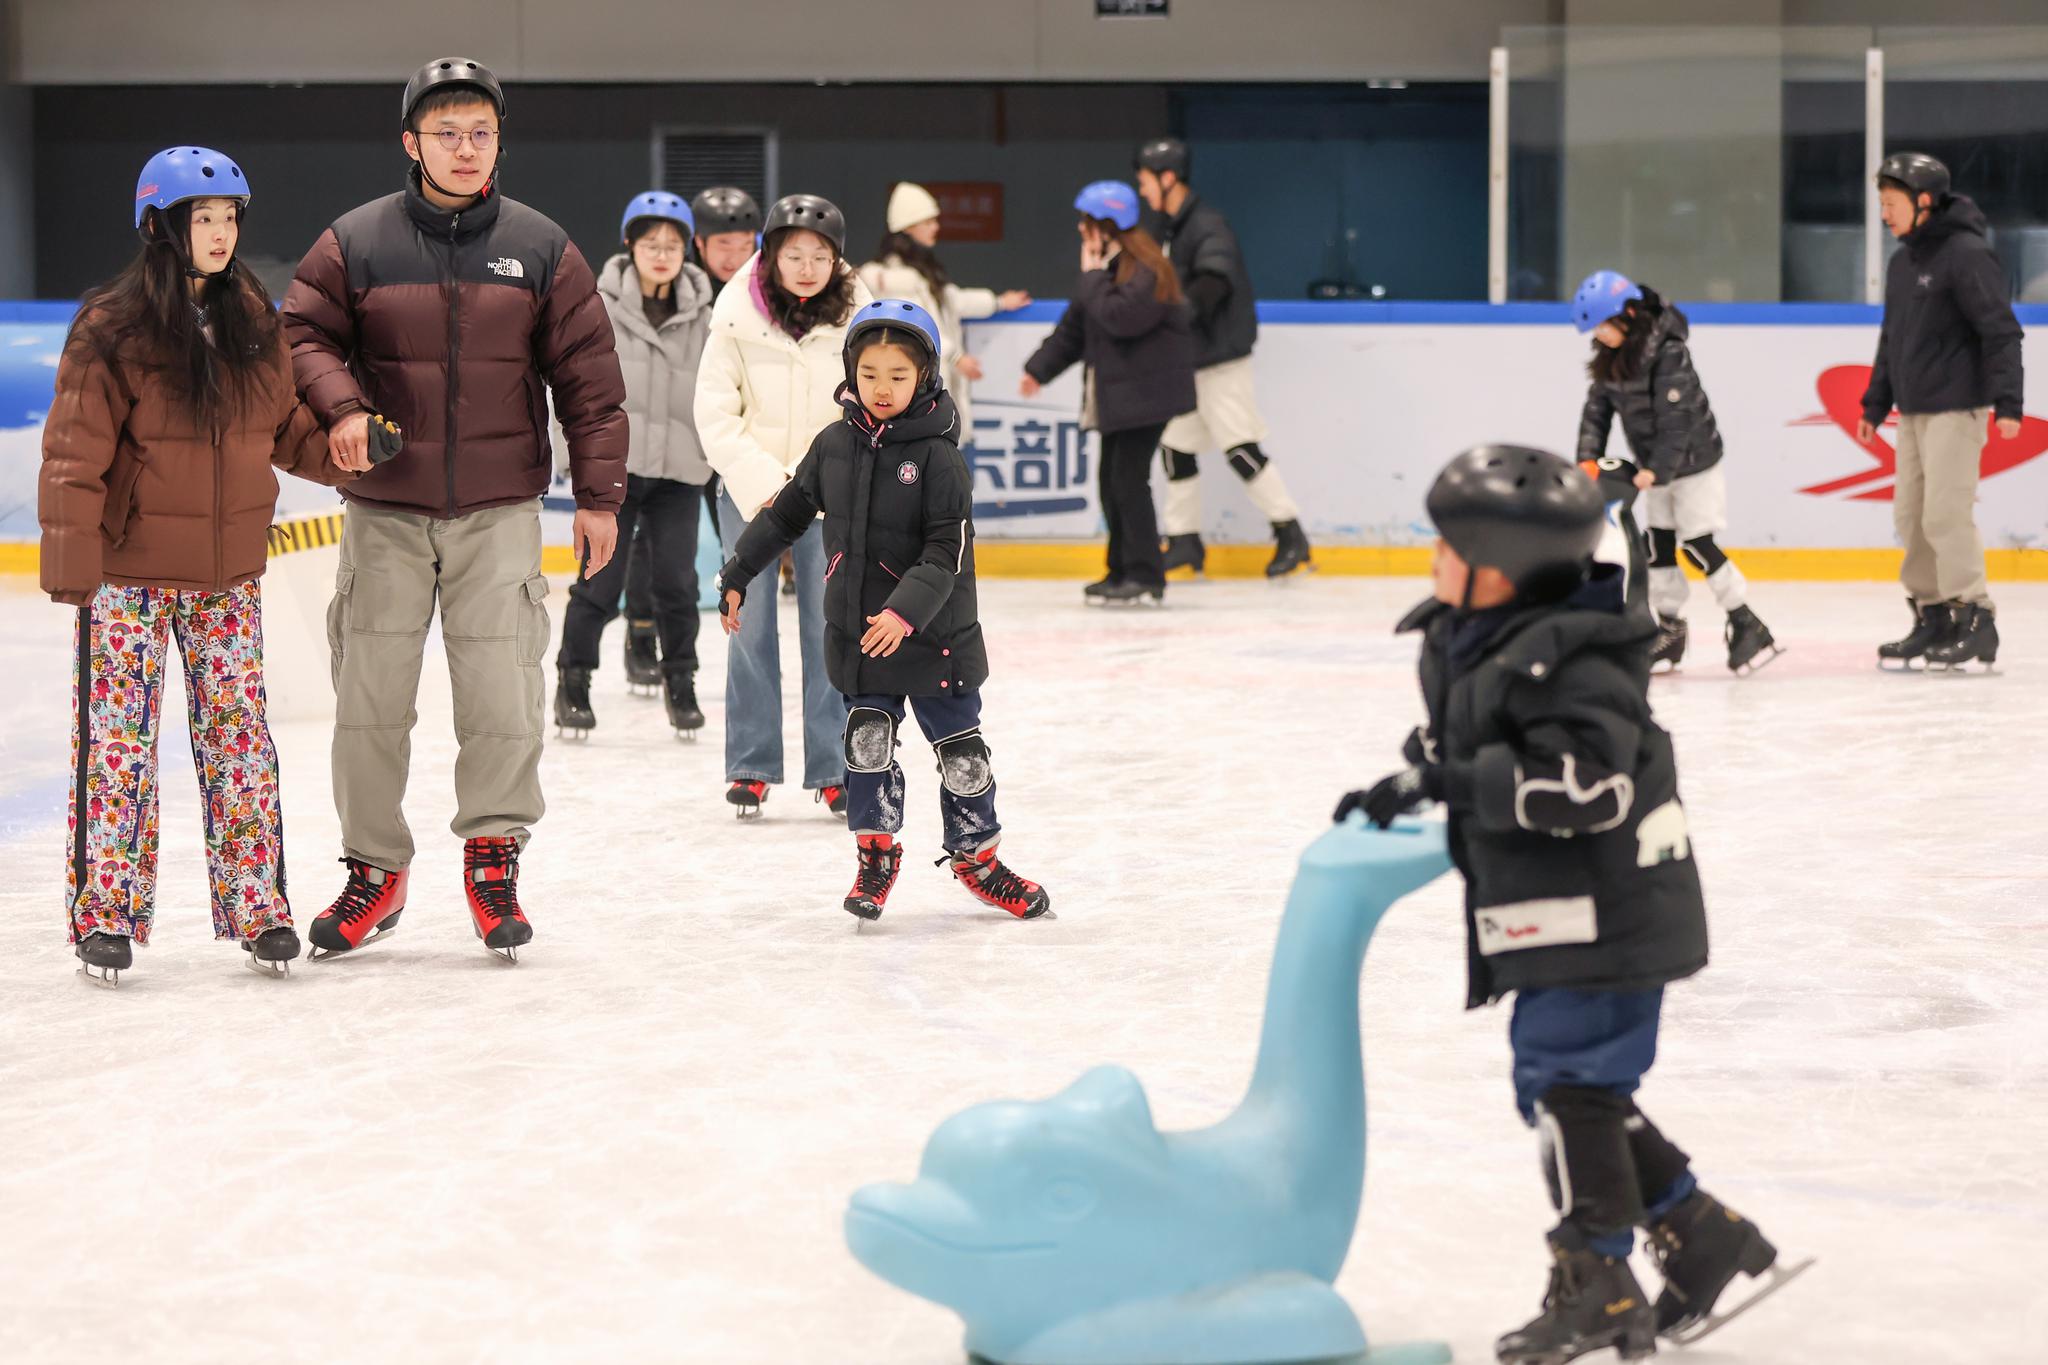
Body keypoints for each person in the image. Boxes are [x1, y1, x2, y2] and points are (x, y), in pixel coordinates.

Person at [1338, 445, 1801, 1364]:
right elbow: (1480, 731)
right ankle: (1699, 1230)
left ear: (1499, 566)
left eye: (1444, 542)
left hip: (1611, 914)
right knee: (1569, 1086)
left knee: (1569, 1086)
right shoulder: (1483, 630)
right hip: (1559, 909)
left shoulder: (1576, 657)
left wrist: (1453, 777)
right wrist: (1429, 767)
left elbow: (1590, 787)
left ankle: (1597, 1279)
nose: (1429, 556)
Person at [282, 56, 628, 963]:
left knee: (504, 696)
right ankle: (374, 868)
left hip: (498, 510)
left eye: (480, 133)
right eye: (446, 133)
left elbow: (591, 384)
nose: (465, 148)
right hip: (385, 512)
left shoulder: (543, 245)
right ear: (412, 143)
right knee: (367, 700)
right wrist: (345, 409)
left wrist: (599, 495)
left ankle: (492, 855)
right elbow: (302, 332)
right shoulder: (355, 241)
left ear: (498, 141)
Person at [39, 146, 361, 984]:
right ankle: (104, 913)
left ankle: (261, 907)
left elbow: (284, 431)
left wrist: (351, 452)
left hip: (228, 581)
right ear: (161, 227)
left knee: (241, 742)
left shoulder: (256, 318)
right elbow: (74, 452)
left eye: (228, 219)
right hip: (129, 577)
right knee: (117, 748)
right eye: (201, 219)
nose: (219, 234)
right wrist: (72, 559)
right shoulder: (112, 327)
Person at [717, 300, 1050, 921]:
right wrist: (739, 571)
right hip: (862, 636)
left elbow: (944, 551)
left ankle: (979, 860)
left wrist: (904, 614)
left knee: (962, 753)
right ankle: (875, 856)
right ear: (851, 371)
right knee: (867, 745)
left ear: (924, 376)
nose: (882, 389)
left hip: (934, 636)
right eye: (869, 374)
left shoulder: (940, 458)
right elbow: (786, 513)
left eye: (898, 376)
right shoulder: (832, 446)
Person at [694, 193, 874, 818]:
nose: (805, 266)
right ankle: (751, 763)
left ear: (836, 261)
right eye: (792, 253)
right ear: (768, 256)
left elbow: (871, 407)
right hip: (752, 496)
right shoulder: (734, 318)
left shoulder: (863, 323)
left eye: (819, 256)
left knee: (831, 631)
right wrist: (768, 485)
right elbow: (715, 414)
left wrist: (825, 483)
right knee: (749, 629)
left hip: (833, 500)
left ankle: (832, 766)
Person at [554, 191, 714, 738]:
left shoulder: (707, 316)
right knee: (599, 583)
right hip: (614, 472)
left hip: (678, 472)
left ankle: (681, 683)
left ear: (688, 250)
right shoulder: (596, 305)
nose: (662, 254)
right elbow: (570, 385)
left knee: (677, 585)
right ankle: (572, 682)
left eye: (673, 244)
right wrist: (570, 455)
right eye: (651, 244)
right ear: (630, 246)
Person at [1860, 151, 2023, 671]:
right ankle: (1932, 615)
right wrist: (1874, 401)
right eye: (1881, 203)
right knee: (1910, 518)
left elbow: (1999, 330)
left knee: (1945, 516)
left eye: (1891, 203)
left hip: (1958, 408)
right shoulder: (1903, 262)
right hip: (1913, 411)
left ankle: (1975, 616)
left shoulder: (1967, 255)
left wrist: (2008, 402)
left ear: (1924, 201)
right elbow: (1893, 339)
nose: (1884, 214)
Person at [1572, 270, 1778, 674]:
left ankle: (1745, 620)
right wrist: (1587, 459)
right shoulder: (1613, 356)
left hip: (1694, 462)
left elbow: (1678, 420)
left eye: (1603, 327)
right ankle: (1669, 630)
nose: (1599, 336)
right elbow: (1596, 412)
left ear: (1628, 315)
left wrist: (1657, 470)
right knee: (1659, 545)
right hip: (1657, 466)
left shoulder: (1668, 352)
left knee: (1697, 542)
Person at [1134, 138, 1311, 579]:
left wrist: (1176, 318)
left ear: (1167, 178)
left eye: (1145, 182)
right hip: (1189, 364)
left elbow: (1216, 280)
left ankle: (1291, 533)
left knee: (1240, 449)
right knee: (1176, 448)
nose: (1142, 191)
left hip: (1219, 362)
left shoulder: (1207, 225)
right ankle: (1184, 541)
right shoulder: (1170, 227)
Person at [1021, 180, 1195, 605]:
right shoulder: (1111, 272)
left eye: (1086, 223)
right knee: (1111, 481)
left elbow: (1118, 318)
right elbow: (1076, 330)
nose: (1081, 231)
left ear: (1107, 225)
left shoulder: (1147, 269)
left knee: (1128, 481)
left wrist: (1093, 277)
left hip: (1148, 397)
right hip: (1123, 397)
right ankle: (1121, 571)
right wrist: (1038, 370)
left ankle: (1145, 574)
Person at [618, 184, 765, 687]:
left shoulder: (761, 288)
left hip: (737, 436)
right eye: (723, 243)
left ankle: (745, 643)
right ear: (699, 245)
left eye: (745, 242)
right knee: (652, 544)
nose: (735, 253)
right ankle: (641, 629)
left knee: (745, 542)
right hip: (684, 436)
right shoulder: (685, 287)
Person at [858, 181, 1030, 442]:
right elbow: (916, 326)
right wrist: (955, 356)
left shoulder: (919, 271)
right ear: (909, 226)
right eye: (928, 222)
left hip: (929, 381)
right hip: (918, 385)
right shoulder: (896, 278)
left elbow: (952, 300)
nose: (935, 227)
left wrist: (998, 302)